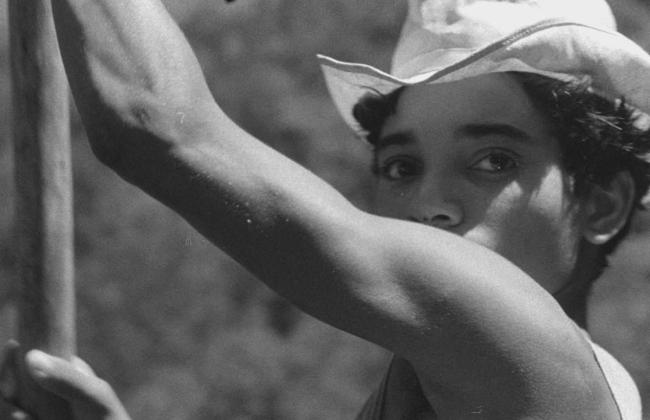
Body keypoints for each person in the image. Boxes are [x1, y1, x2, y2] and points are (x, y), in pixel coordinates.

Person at [4, 0, 650, 418]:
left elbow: (152, 125)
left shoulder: (528, 351)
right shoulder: (429, 389)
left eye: (493, 161)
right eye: (401, 167)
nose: (431, 205)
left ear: (603, 202)